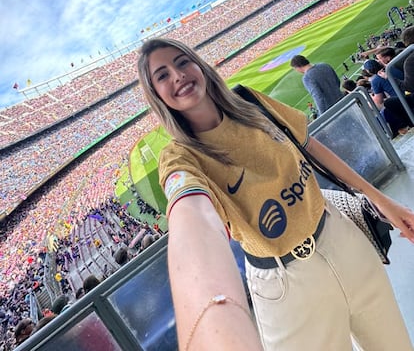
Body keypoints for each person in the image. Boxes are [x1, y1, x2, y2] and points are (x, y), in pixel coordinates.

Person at [138, 37, 414, 351]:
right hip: (286, 285)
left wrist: (382, 200)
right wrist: (212, 311)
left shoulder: (250, 102)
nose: (177, 75)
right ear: (156, 94)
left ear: (198, 65)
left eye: (182, 61)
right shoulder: (179, 159)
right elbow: (191, 215)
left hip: (341, 237)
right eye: (162, 75)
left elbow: (310, 147)